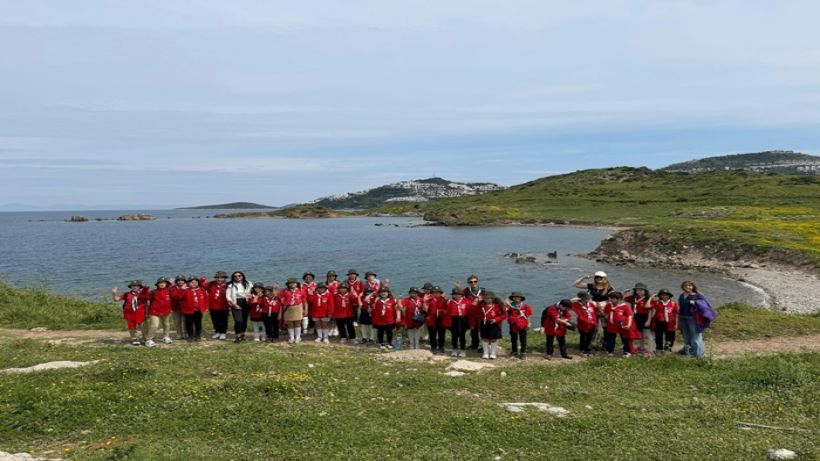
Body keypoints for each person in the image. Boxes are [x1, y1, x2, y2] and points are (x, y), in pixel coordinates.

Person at [573, 271, 615, 350]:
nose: (598, 279)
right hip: (592, 309)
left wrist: (604, 304)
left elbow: (613, 299)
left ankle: (605, 344)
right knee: (593, 326)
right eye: (597, 277)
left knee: (605, 327)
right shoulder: (592, 286)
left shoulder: (609, 288)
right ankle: (591, 344)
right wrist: (584, 278)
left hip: (602, 310)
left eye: (600, 277)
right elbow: (576, 284)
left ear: (605, 279)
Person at [112, 280, 149, 345]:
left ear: (140, 287)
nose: (134, 287)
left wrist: (148, 312)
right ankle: (134, 338)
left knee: (144, 326)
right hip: (129, 314)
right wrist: (114, 293)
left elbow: (147, 299)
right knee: (131, 327)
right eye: (133, 286)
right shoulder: (127, 294)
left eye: (137, 286)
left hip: (140, 313)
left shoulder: (142, 294)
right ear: (131, 287)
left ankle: (145, 338)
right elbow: (116, 299)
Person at [678, 281, 709, 357]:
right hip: (682, 317)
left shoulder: (698, 296)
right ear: (683, 287)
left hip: (693, 318)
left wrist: (696, 303)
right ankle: (688, 350)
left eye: (690, 285)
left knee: (695, 336)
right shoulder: (682, 295)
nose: (688, 287)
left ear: (693, 287)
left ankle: (697, 354)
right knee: (686, 336)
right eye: (686, 286)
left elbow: (706, 306)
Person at [603, 291, 636, 357]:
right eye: (610, 298)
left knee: (624, 339)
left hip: (622, 325)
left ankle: (626, 351)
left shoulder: (624, 306)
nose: (610, 300)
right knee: (610, 339)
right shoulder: (609, 305)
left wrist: (629, 324)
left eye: (612, 298)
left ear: (618, 299)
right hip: (611, 325)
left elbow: (629, 316)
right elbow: (605, 313)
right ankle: (610, 351)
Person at [625, 282, 654, 355]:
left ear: (645, 291)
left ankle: (651, 349)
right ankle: (641, 347)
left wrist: (648, 321)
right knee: (640, 334)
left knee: (648, 334)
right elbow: (623, 298)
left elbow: (650, 310)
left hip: (645, 317)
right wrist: (625, 292)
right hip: (636, 317)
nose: (639, 292)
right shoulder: (634, 298)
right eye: (637, 290)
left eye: (641, 290)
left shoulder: (647, 299)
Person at [145, 277, 174, 347]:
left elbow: (176, 296)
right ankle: (148, 340)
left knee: (166, 324)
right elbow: (144, 298)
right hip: (154, 311)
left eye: (164, 283)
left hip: (166, 311)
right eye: (160, 283)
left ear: (166, 284)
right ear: (157, 284)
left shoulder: (169, 291)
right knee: (155, 325)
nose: (162, 284)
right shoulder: (153, 292)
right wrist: (145, 290)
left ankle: (166, 337)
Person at [226, 271, 253, 343]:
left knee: (244, 320)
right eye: (235, 276)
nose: (237, 277)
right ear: (233, 277)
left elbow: (252, 291)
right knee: (238, 321)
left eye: (239, 275)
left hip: (246, 302)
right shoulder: (230, 285)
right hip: (236, 302)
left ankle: (242, 335)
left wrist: (251, 295)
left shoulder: (248, 283)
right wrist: (234, 305)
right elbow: (228, 296)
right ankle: (237, 336)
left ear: (242, 276)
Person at [460, 275, 485, 352]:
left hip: (481, 313)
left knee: (482, 330)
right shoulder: (466, 291)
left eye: (475, 281)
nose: (473, 283)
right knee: (473, 330)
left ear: (478, 282)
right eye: (471, 282)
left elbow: (489, 300)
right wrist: (458, 288)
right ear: (468, 283)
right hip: (470, 314)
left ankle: (483, 346)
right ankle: (474, 345)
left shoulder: (483, 291)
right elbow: (459, 296)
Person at [505, 292, 532, 359]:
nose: (516, 298)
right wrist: (506, 301)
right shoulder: (510, 305)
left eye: (518, 297)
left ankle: (523, 352)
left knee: (523, 339)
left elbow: (528, 315)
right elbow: (504, 310)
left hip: (523, 324)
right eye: (514, 297)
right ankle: (514, 351)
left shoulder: (525, 306)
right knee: (513, 338)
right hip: (513, 324)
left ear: (521, 298)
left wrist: (529, 323)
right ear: (512, 298)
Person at [479, 292, 506, 359]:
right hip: (484, 323)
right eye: (486, 298)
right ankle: (485, 353)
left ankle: (493, 353)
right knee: (484, 338)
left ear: (493, 299)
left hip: (494, 324)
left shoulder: (498, 306)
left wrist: (496, 319)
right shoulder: (481, 305)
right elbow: (475, 312)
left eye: (489, 298)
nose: (487, 300)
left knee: (494, 339)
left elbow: (504, 315)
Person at [279, 278, 306, 344]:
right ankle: (291, 337)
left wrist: (305, 309)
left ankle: (298, 337)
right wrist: (275, 288)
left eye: (294, 283)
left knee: (297, 323)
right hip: (288, 308)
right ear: (288, 284)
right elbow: (276, 296)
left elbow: (304, 301)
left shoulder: (301, 290)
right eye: (290, 283)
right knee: (290, 323)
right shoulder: (284, 291)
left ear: (297, 284)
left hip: (298, 307)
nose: (292, 284)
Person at [650, 289, 678, 353]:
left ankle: (668, 348)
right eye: (662, 295)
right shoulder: (656, 303)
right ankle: (659, 348)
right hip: (659, 322)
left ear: (669, 296)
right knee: (658, 336)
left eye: (666, 295)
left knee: (670, 336)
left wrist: (676, 324)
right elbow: (647, 305)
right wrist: (652, 297)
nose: (664, 296)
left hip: (670, 322)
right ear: (660, 296)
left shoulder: (673, 303)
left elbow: (676, 314)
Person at [204, 271, 230, 340]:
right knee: (215, 320)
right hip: (213, 306)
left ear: (224, 278)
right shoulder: (211, 284)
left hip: (224, 306)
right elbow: (202, 286)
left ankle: (223, 333)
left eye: (221, 278)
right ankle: (217, 331)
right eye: (217, 278)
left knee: (223, 320)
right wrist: (202, 280)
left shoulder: (228, 285)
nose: (219, 279)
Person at [181, 276, 209, 341]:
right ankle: (190, 336)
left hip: (199, 310)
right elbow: (179, 297)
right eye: (192, 282)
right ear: (188, 283)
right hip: (188, 310)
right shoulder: (185, 290)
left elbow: (206, 299)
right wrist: (182, 289)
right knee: (189, 324)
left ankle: (197, 336)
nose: (194, 284)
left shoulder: (201, 290)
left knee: (198, 323)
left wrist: (206, 307)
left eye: (195, 282)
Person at [425, 286, 449, 354]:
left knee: (441, 333)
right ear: (432, 293)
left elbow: (447, 309)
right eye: (434, 292)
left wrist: (439, 311)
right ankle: (433, 346)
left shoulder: (444, 300)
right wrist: (424, 301)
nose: (436, 294)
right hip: (432, 319)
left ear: (440, 293)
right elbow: (426, 309)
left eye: (438, 292)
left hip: (441, 319)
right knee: (432, 334)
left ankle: (441, 347)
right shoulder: (429, 300)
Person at [572, 292, 598, 357]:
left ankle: (588, 350)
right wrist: (574, 299)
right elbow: (566, 303)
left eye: (588, 298)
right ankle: (582, 351)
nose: (588, 299)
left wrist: (594, 323)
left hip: (593, 324)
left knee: (590, 338)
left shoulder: (591, 304)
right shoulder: (576, 305)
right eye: (586, 298)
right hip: (583, 325)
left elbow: (594, 313)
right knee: (584, 338)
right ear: (582, 298)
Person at [448, 288, 470, 357]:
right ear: (453, 295)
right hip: (453, 320)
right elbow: (447, 312)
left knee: (462, 336)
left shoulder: (466, 301)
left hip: (463, 320)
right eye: (455, 294)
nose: (457, 296)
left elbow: (470, 310)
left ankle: (463, 350)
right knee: (454, 336)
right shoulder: (450, 302)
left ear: (461, 295)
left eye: (459, 294)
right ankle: (454, 349)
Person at [170, 275, 188, 340]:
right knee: (177, 322)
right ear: (176, 282)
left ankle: (186, 333)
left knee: (185, 321)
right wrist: (182, 289)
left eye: (182, 280)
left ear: (184, 281)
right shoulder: (173, 288)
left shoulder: (187, 287)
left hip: (185, 307)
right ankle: (179, 334)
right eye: (178, 280)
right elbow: (175, 296)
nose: (180, 282)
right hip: (175, 307)